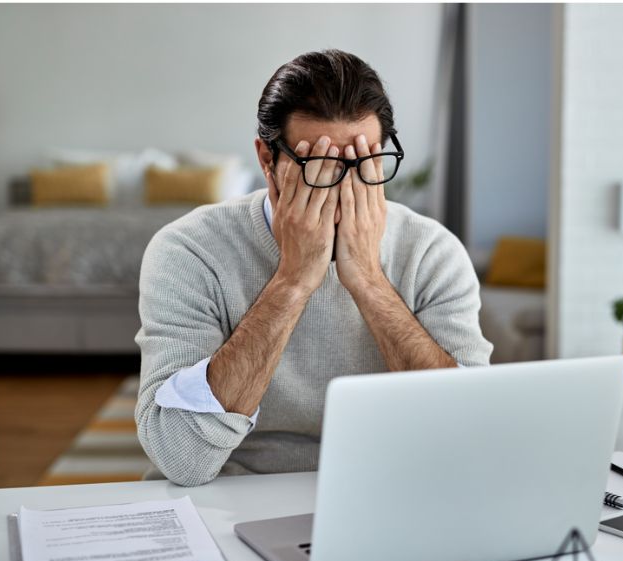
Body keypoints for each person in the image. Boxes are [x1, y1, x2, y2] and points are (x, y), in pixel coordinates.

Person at [135, 49, 492, 487]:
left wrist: (368, 281)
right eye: (320, 167)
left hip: (387, 489)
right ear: (268, 161)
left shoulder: (432, 251)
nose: (345, 187)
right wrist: (293, 280)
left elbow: (470, 437)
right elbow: (182, 458)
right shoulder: (189, 251)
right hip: (229, 493)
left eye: (364, 162)